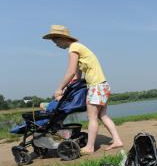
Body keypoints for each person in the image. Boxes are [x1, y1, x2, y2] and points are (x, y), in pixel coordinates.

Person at [43, 25, 123, 154]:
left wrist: (59, 88)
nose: (56, 45)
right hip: (103, 85)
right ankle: (117, 140)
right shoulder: (79, 47)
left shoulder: (73, 48)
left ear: (62, 38)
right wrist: (68, 88)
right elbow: (77, 75)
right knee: (102, 115)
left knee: (92, 117)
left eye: (56, 42)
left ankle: (90, 147)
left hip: (96, 86)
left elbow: (70, 72)